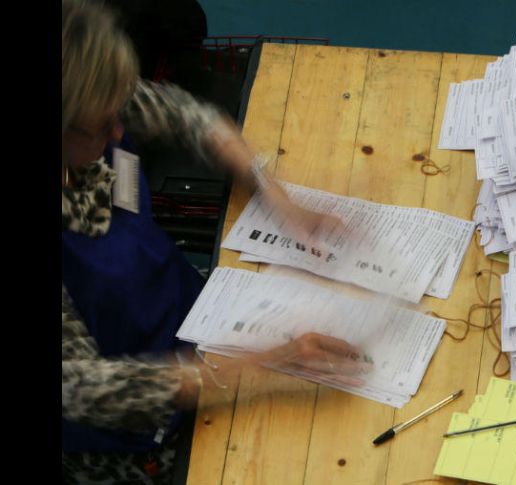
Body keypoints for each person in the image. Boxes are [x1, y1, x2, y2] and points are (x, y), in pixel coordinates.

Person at [62, 1, 363, 483]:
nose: (121, 131)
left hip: (196, 323)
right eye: (102, 127)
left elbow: (186, 115)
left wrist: (276, 193)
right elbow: (85, 389)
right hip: (139, 430)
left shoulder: (92, 99)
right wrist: (265, 366)